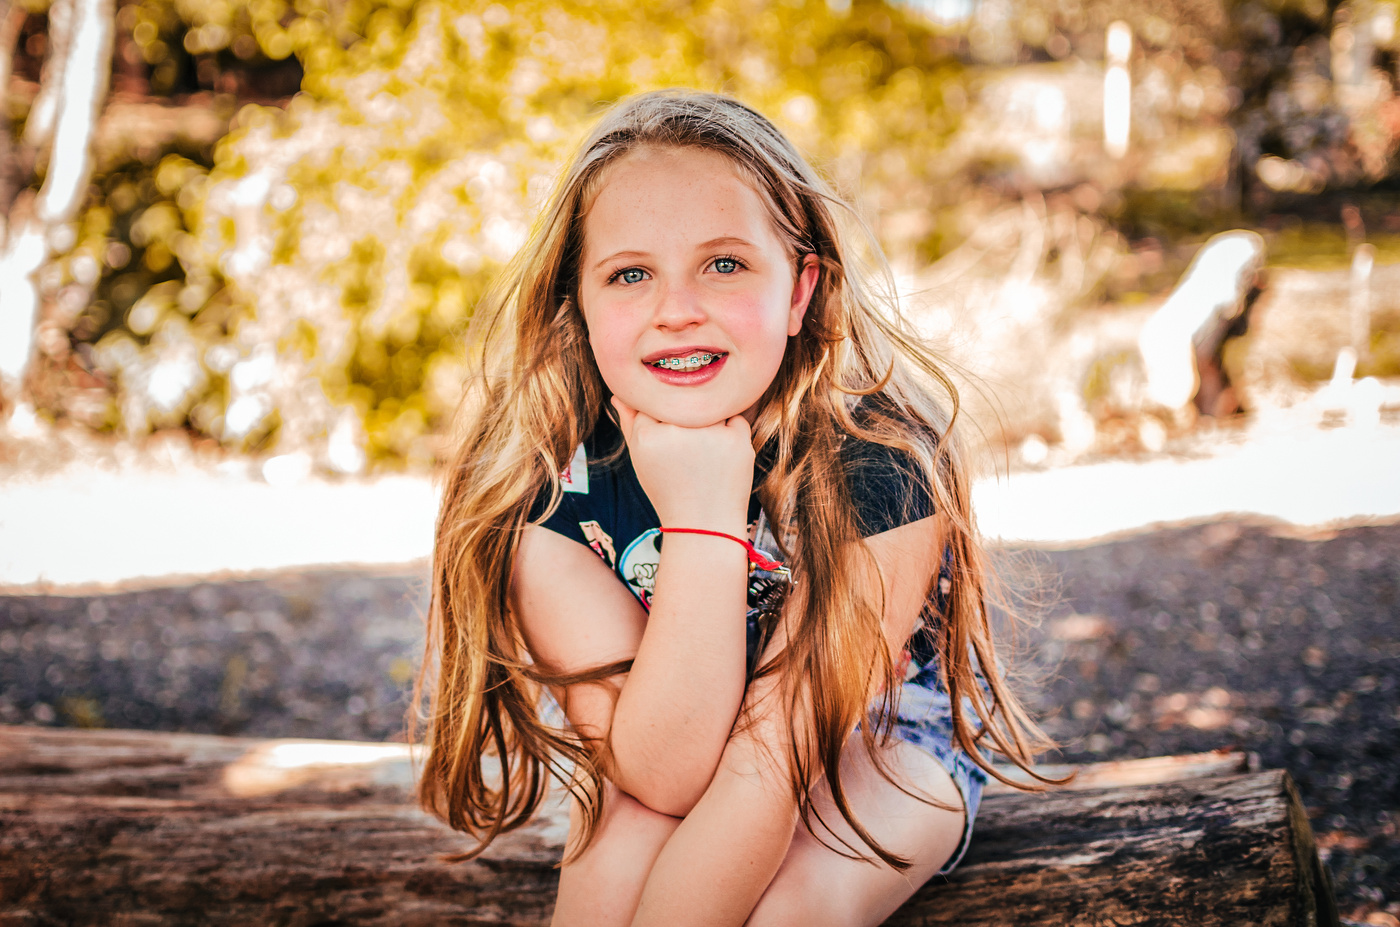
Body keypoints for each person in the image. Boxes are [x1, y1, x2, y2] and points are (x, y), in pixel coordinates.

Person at [417, 90, 1053, 926]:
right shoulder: (544, 489)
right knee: (622, 845)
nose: (677, 309)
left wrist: (704, 516)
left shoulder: (882, 467)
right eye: (630, 274)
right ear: (578, 302)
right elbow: (663, 775)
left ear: (799, 291)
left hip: (881, 732)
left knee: (794, 903)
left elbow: (771, 762)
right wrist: (703, 523)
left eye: (724, 264)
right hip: (659, 746)